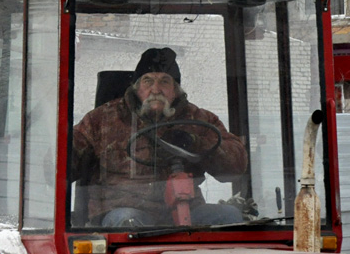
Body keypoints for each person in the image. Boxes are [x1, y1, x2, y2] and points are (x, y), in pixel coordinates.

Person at [71, 47, 248, 227]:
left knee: (228, 216)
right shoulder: (102, 120)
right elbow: (60, 165)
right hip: (123, 209)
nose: (156, 89)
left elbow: (236, 166)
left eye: (164, 81)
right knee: (128, 220)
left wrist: (195, 143)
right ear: (136, 87)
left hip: (188, 211)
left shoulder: (198, 119)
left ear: (176, 89)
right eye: (148, 81)